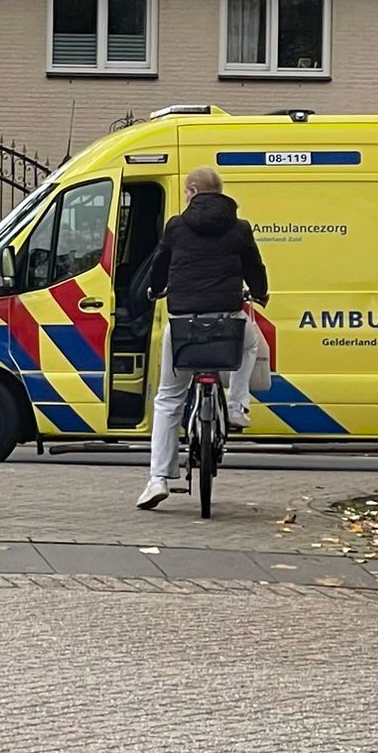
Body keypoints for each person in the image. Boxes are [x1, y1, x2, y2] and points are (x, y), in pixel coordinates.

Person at [139, 166, 269, 510]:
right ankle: (238, 404)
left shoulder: (177, 227)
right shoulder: (239, 228)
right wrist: (260, 293)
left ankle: (158, 480)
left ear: (192, 192)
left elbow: (160, 263)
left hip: (184, 323)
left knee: (168, 398)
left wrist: (155, 289)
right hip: (227, 320)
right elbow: (254, 266)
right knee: (251, 342)